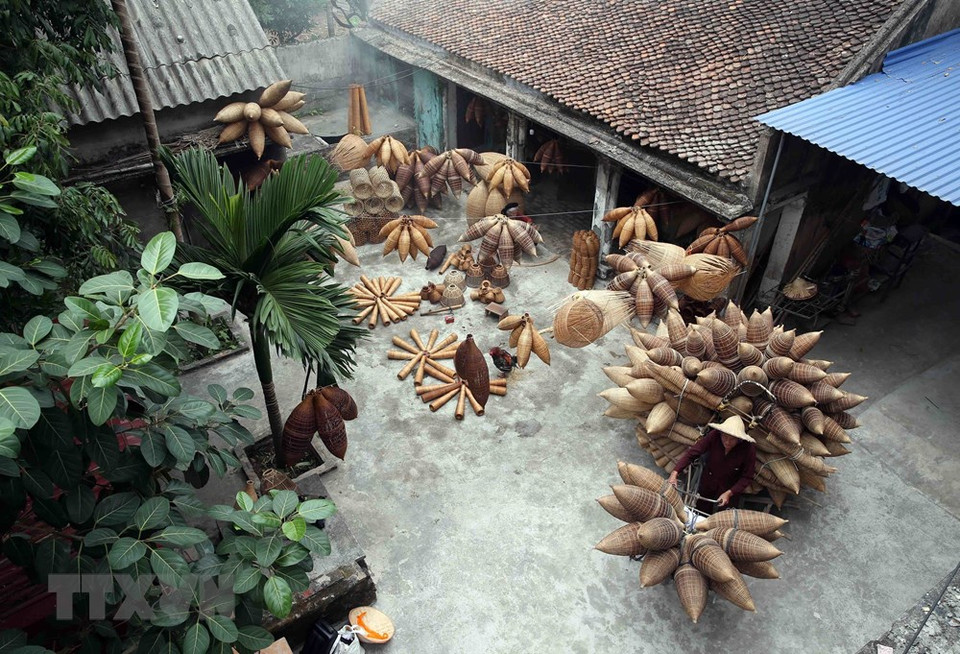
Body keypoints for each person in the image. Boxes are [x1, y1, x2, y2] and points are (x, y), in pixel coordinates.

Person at [667, 415, 756, 514]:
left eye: (732, 439)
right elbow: (692, 453)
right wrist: (675, 473)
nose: (727, 442)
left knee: (724, 517)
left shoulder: (748, 448)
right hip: (708, 481)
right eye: (725, 437)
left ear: (739, 439)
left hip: (729, 487)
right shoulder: (714, 436)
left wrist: (729, 493)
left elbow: (747, 477)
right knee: (700, 511)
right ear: (721, 433)